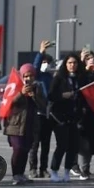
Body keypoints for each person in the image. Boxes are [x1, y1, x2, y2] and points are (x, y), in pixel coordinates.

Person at [2, 64, 44, 185]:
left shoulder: (37, 88)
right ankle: (15, 174)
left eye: (31, 76)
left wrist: (34, 96)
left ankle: (21, 173)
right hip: (15, 124)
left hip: (30, 124)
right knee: (18, 148)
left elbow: (43, 105)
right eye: (26, 76)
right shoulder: (15, 86)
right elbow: (9, 102)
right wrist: (21, 93)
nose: (28, 78)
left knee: (25, 149)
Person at [47, 54, 81, 182]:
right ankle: (54, 171)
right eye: (70, 63)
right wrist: (62, 95)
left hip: (73, 117)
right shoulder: (59, 78)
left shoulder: (78, 78)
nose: (72, 65)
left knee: (73, 146)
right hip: (59, 118)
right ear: (65, 64)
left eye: (75, 63)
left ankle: (67, 171)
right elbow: (50, 96)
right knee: (62, 145)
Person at [31, 42, 58, 177]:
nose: (45, 64)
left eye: (48, 62)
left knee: (46, 145)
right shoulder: (37, 77)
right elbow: (35, 67)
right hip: (37, 115)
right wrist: (41, 52)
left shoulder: (51, 78)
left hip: (48, 115)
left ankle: (43, 168)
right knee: (34, 144)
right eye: (44, 62)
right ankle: (33, 169)